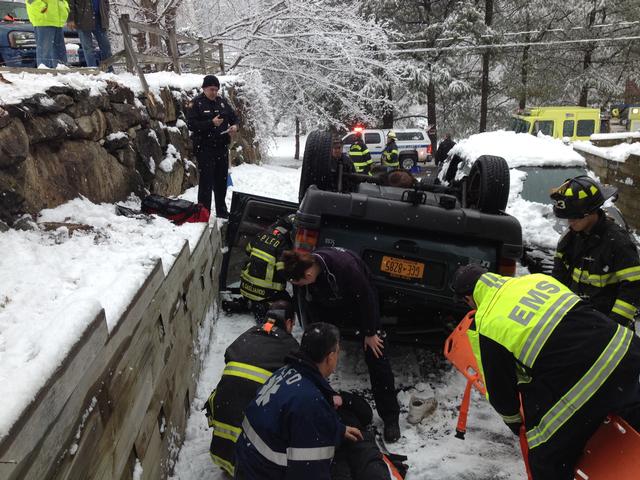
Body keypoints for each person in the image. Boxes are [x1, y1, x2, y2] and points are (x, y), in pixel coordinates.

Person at [451, 264, 640, 480]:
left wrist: (516, 424)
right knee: (630, 408)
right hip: (625, 352)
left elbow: (501, 392)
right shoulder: (536, 280)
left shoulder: (487, 322)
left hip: (589, 378)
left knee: (544, 455)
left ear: (468, 299)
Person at [281, 247, 401, 443]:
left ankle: (390, 417)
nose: (297, 286)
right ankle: (322, 401)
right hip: (328, 306)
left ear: (309, 274)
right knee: (315, 354)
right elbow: (309, 306)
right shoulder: (308, 274)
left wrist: (370, 332)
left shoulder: (346, 267)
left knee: (376, 353)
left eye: (298, 282)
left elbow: (367, 298)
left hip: (361, 304)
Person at [235, 322, 364, 480]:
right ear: (330, 357)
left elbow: (294, 422)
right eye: (337, 351)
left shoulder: (286, 372)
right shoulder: (310, 402)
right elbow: (309, 472)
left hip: (248, 468)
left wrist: (337, 429)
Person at [204, 300, 299, 477]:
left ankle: (228, 462)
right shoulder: (290, 346)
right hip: (252, 459)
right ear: (288, 322)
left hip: (220, 445)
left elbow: (228, 355)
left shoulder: (248, 333)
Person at [550, 175, 640, 329]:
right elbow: (559, 277)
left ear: (592, 211)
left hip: (607, 324)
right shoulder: (569, 238)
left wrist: (613, 327)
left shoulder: (618, 242)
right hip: (577, 319)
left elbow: (633, 287)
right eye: (567, 218)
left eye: (575, 217)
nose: (570, 222)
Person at [186, 75, 239, 218]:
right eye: (211, 89)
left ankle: (222, 211)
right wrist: (211, 123)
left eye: (216, 89)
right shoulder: (195, 103)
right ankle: (204, 213)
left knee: (221, 181)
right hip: (205, 147)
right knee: (206, 182)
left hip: (221, 146)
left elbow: (234, 117)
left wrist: (234, 126)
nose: (214, 92)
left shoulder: (222, 102)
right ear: (204, 88)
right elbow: (191, 125)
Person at [332, 392, 408, 480]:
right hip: (331, 448)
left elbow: (366, 414)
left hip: (357, 438)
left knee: (373, 470)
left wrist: (343, 399)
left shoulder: (337, 400)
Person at [237, 214, 295, 323]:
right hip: (266, 293)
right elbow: (282, 271)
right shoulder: (283, 244)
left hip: (246, 287)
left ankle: (249, 302)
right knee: (289, 303)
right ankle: (264, 309)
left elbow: (248, 250)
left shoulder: (261, 234)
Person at [67, 0, 112, 68]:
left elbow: (105, 2)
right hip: (82, 19)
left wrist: (105, 11)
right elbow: (70, 3)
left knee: (106, 46)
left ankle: (108, 68)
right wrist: (70, 19)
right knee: (88, 48)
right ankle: (92, 69)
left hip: (100, 19)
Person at [26, 0, 69, 68]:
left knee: (59, 51)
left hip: (57, 20)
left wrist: (65, 7)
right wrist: (42, 7)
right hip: (44, 19)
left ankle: (61, 72)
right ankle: (44, 73)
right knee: (45, 51)